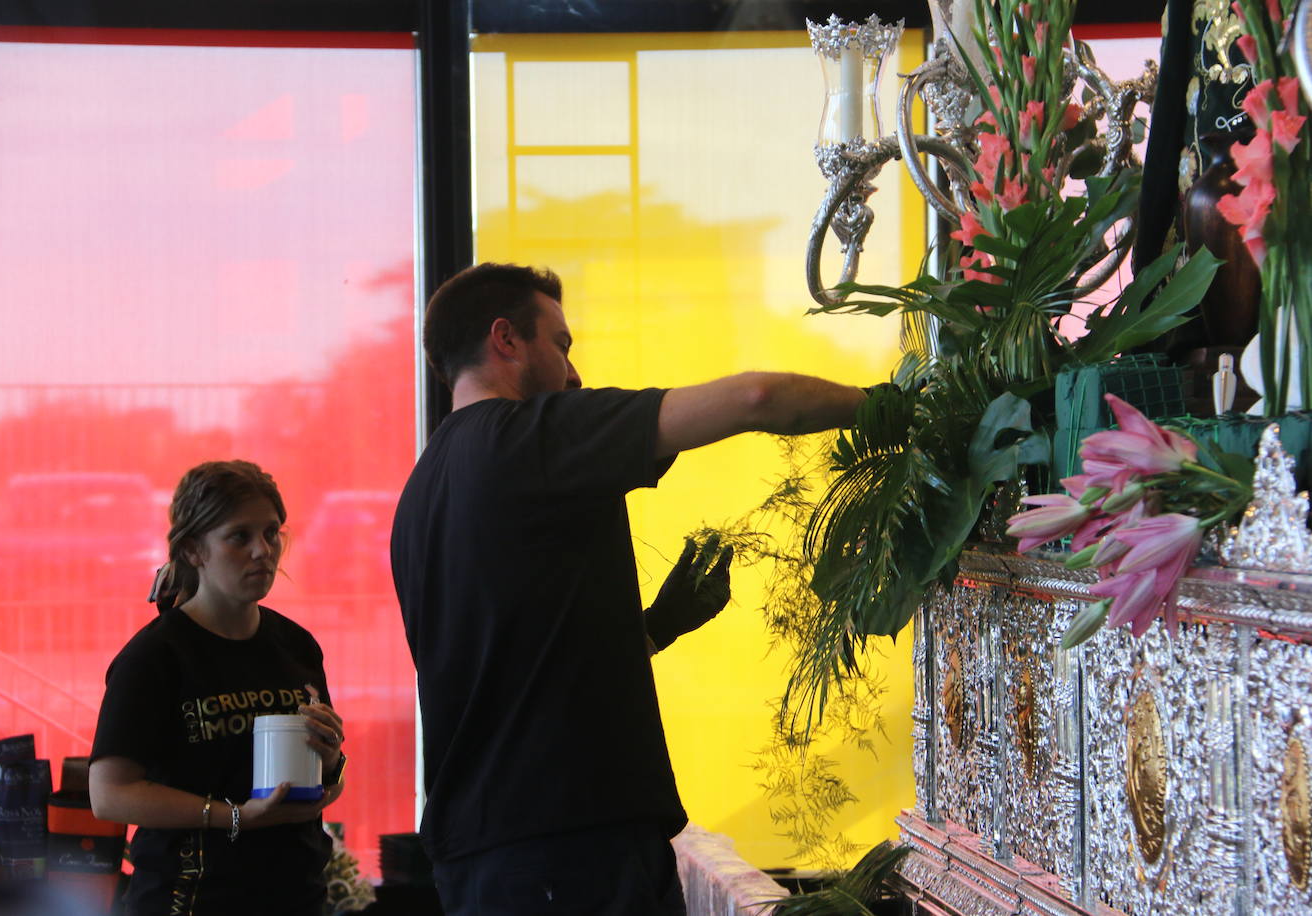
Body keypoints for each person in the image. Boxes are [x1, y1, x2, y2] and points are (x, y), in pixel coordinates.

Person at [390, 262, 868, 915]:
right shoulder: (526, 440)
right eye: (560, 344)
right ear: (505, 339)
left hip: (493, 855)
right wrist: (890, 408)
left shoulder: (421, 493)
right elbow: (758, 398)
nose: (574, 372)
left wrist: (660, 624)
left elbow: (524, 666)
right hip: (562, 852)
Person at [88, 460, 348, 916]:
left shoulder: (296, 645)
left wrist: (329, 762)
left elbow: (322, 784)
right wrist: (235, 816)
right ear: (192, 551)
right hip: (193, 899)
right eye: (239, 537)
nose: (262, 551)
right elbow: (109, 794)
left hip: (297, 895)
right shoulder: (156, 657)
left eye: (271, 533)